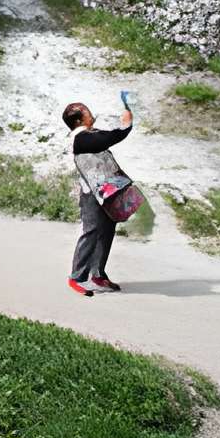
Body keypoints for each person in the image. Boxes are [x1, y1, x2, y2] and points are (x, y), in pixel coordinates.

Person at [62, 100, 135, 295]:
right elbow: (106, 140)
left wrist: (124, 126)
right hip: (91, 194)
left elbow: (107, 136)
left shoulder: (90, 134)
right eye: (86, 112)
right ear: (78, 120)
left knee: (107, 231)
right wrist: (126, 125)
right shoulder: (79, 138)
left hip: (108, 191)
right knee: (91, 232)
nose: (90, 113)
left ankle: (97, 275)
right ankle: (77, 277)